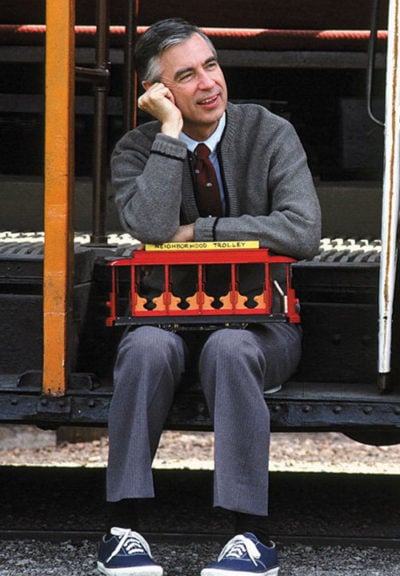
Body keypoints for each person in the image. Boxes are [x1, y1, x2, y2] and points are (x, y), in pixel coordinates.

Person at [97, 18, 321, 576]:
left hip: (259, 324)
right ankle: (122, 528)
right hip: (165, 320)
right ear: (158, 93)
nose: (209, 84)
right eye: (187, 76)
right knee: (144, 349)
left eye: (212, 65)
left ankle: (251, 537)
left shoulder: (269, 131)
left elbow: (302, 232)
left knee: (230, 349)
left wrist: (199, 232)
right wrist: (170, 135)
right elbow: (149, 225)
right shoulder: (136, 149)